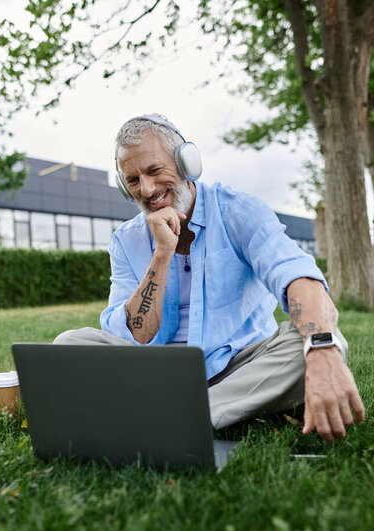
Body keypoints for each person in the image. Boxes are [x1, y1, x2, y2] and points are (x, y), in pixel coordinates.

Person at [54, 113, 365, 442]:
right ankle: (202, 412)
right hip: (155, 370)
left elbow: (299, 278)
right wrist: (162, 253)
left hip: (239, 368)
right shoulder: (125, 240)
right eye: (132, 180)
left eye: (154, 171)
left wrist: (320, 352)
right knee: (70, 345)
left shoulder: (239, 212)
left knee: (322, 342)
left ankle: (167, 416)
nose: (146, 189)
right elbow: (139, 334)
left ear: (187, 163)